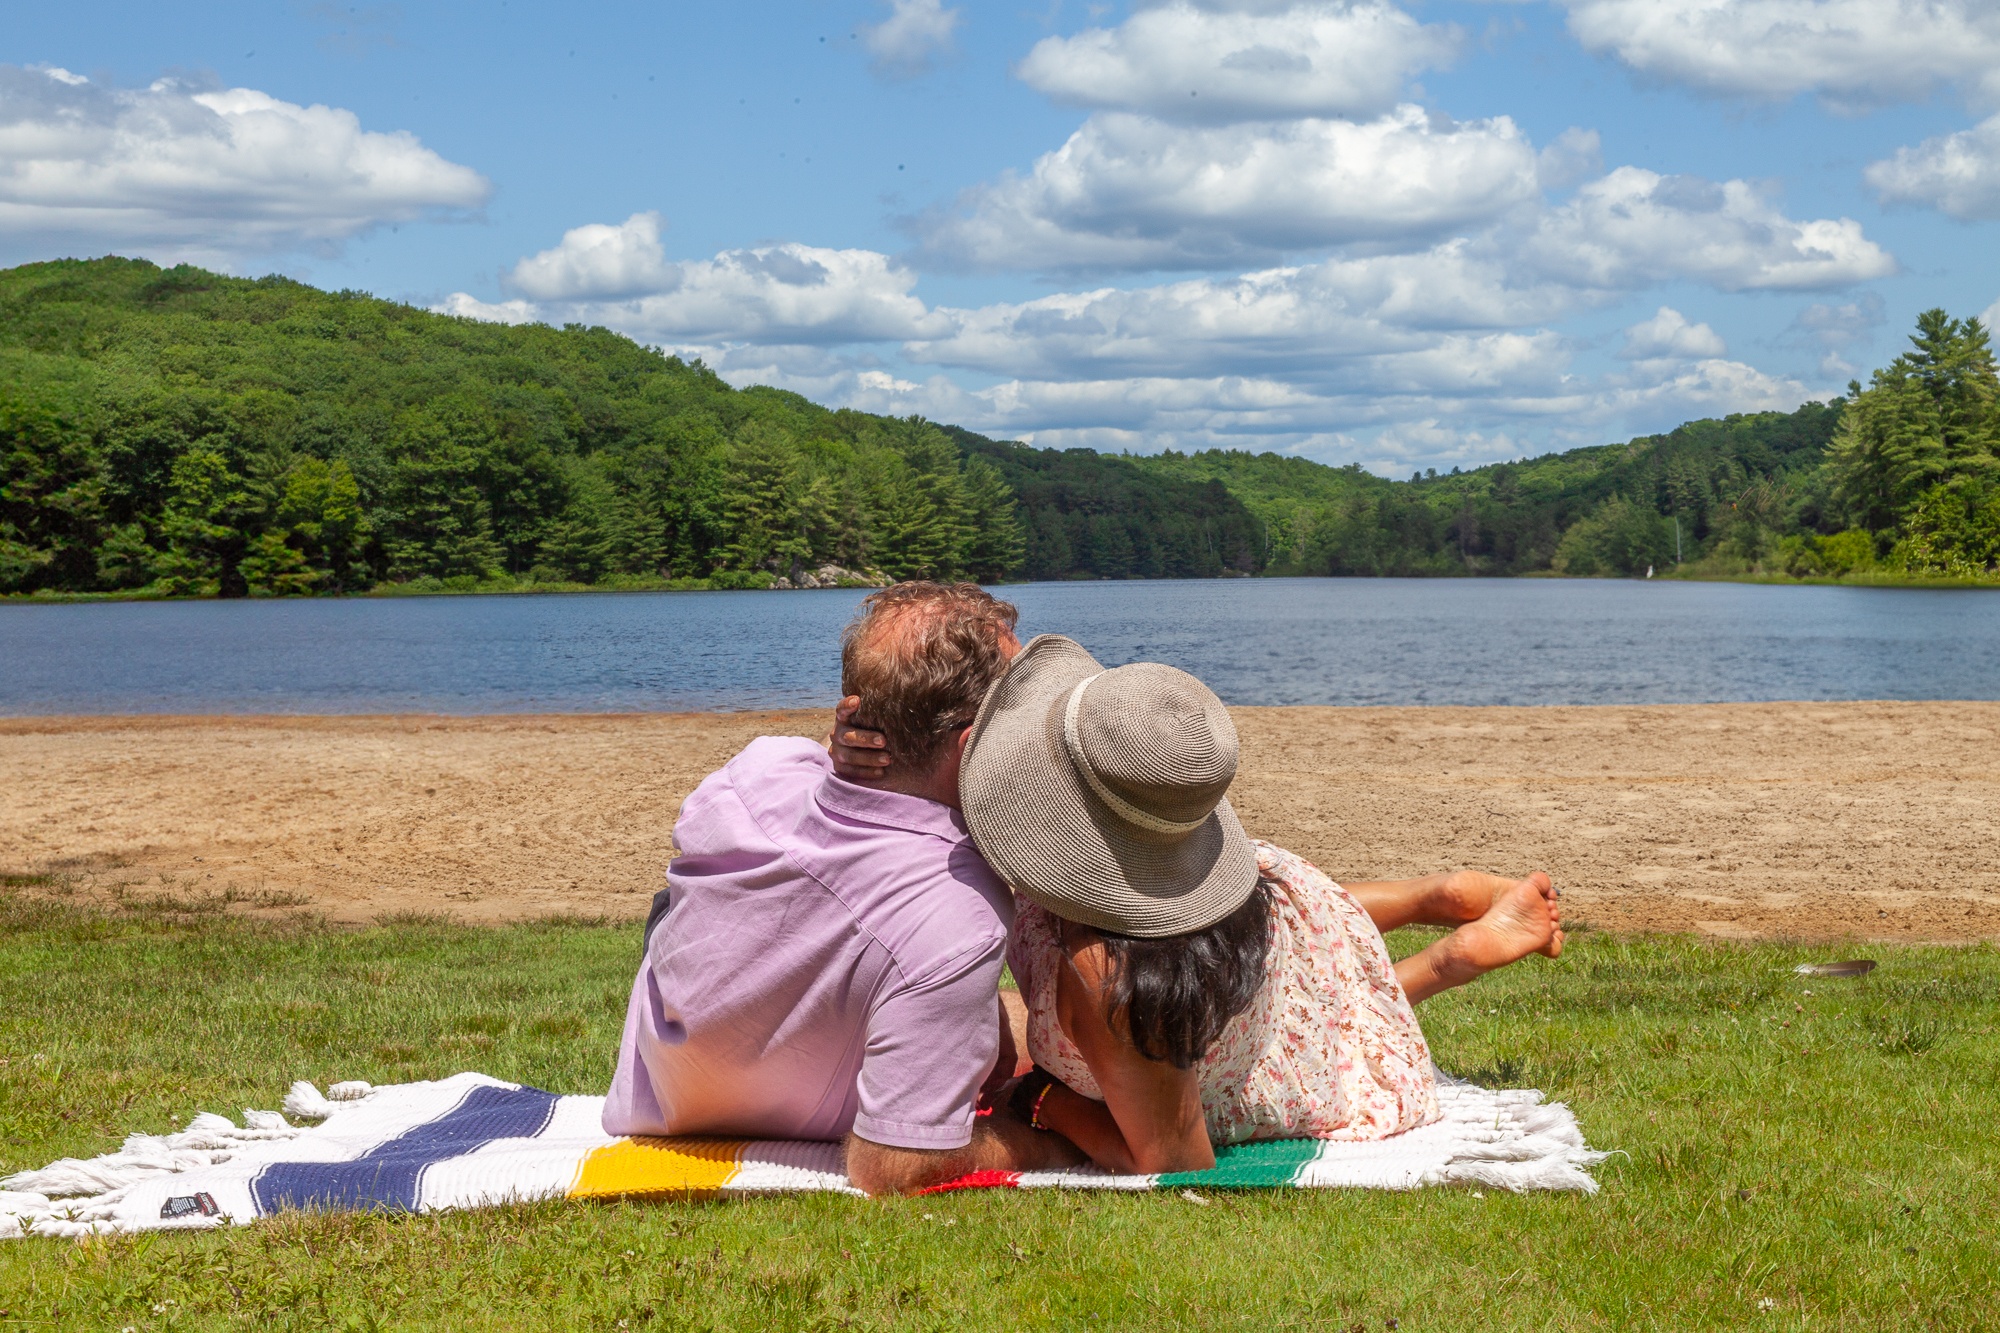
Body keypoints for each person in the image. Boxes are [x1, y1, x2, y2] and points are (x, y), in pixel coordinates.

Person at [838, 633, 1563, 1176]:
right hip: (1260, 930)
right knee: (1305, 964)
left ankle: (1445, 957)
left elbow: (1174, 1156)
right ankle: (1430, 900)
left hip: (1210, 1017)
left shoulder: (1105, 980)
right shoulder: (1161, 889)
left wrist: (1043, 1102)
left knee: (1322, 1031)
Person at [602, 583, 1082, 1195]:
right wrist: (1049, 1141)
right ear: (971, 748)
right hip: (790, 1086)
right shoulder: (959, 915)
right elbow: (893, 1169)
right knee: (936, 973)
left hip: (665, 1080)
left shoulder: (754, 773)